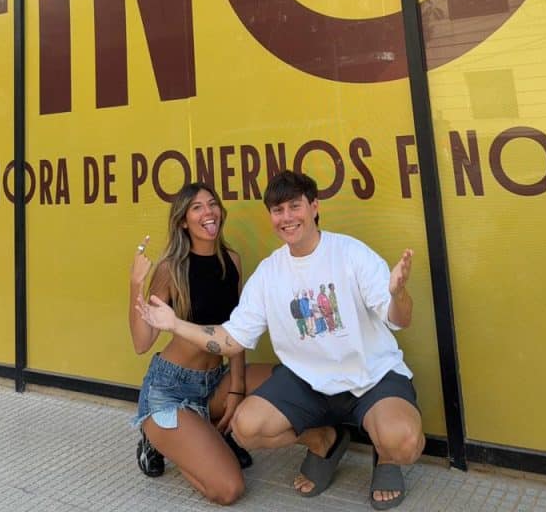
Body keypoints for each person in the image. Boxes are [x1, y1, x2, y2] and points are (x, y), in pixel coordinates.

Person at [136, 171, 425, 510]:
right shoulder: (268, 273)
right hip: (307, 383)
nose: (286, 217)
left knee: (403, 442)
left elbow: (399, 319)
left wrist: (399, 295)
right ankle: (324, 442)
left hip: (371, 376)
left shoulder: (350, 253)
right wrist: (174, 323)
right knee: (246, 428)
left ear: (314, 207)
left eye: (294, 206)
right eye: (277, 210)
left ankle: (386, 459)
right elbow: (232, 338)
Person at [129, 183, 272, 506]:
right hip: (170, 390)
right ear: (183, 221)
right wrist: (135, 284)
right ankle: (159, 439)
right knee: (228, 489)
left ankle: (212, 433)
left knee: (284, 380)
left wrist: (236, 390)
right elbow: (142, 342)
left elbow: (237, 333)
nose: (208, 212)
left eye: (212, 204)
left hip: (215, 382)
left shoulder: (232, 260)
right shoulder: (171, 268)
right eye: (197, 207)